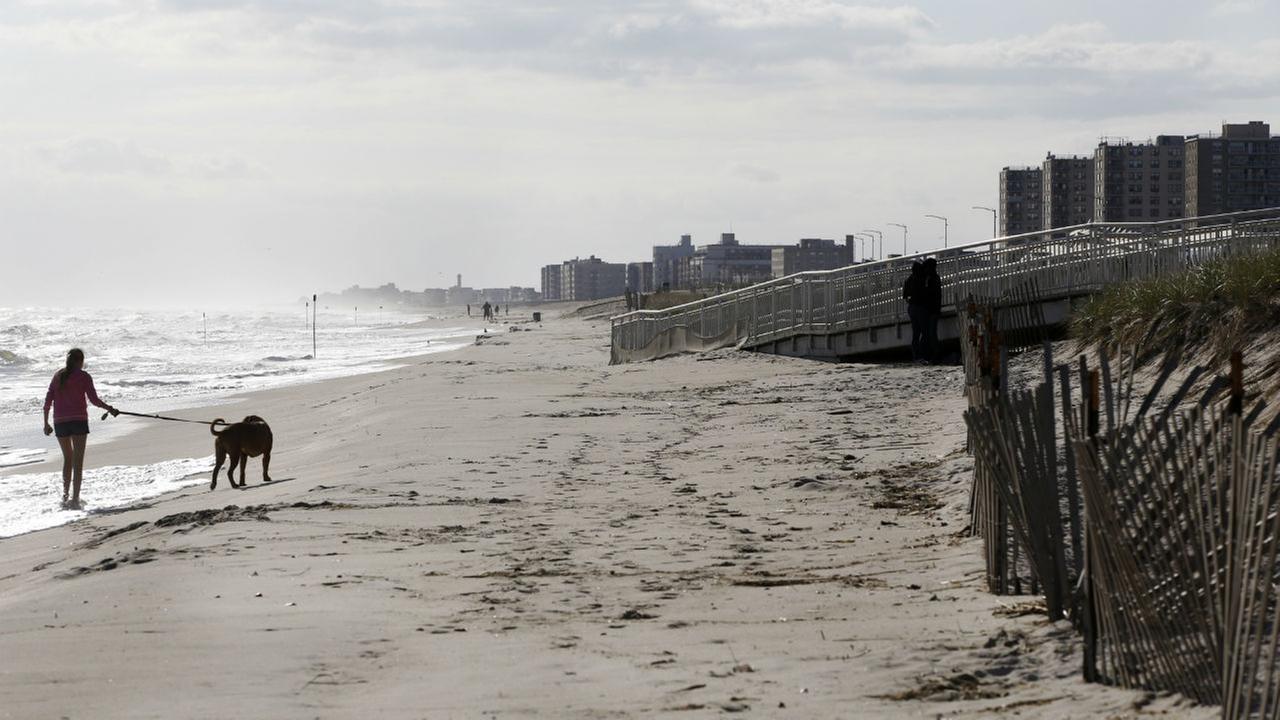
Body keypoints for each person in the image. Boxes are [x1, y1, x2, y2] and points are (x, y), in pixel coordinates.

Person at [42, 348, 118, 508]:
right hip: (78, 421)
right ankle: (75, 500)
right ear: (80, 361)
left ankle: (64, 497)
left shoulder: (58, 375)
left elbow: (48, 399)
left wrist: (46, 422)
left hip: (60, 422)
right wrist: (109, 408)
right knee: (78, 462)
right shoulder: (83, 377)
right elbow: (94, 400)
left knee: (67, 459)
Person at [902, 261, 927, 363]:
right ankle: (922, 354)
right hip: (920, 307)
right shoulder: (921, 279)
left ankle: (916, 356)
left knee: (916, 333)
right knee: (925, 332)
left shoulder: (908, 280)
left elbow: (905, 296)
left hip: (912, 308)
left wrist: (910, 301)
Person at [921, 258, 943, 363]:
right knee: (931, 333)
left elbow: (930, 294)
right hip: (934, 309)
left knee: (931, 333)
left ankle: (934, 354)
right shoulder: (935, 278)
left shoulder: (932, 279)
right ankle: (933, 354)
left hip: (932, 310)